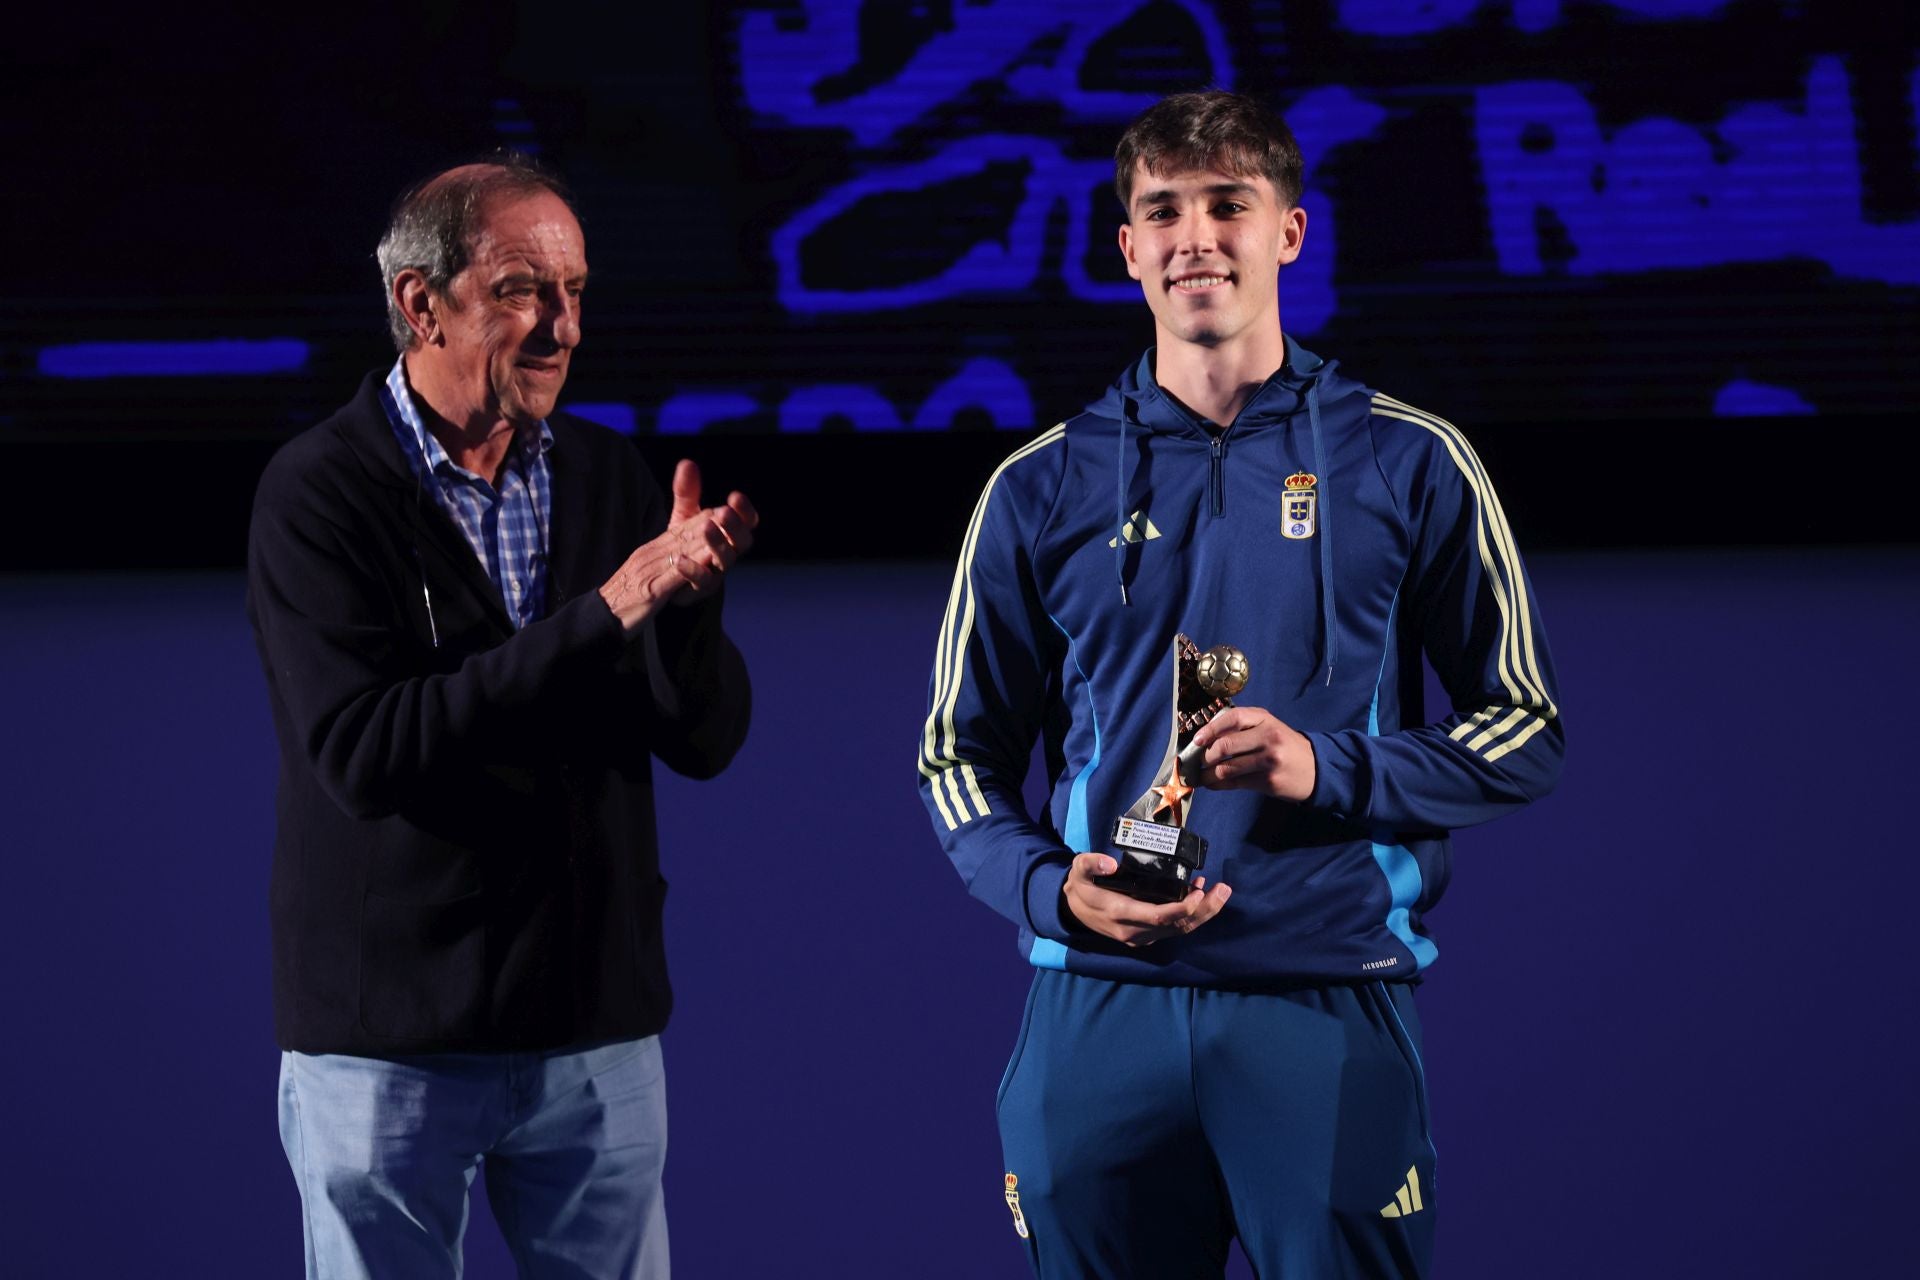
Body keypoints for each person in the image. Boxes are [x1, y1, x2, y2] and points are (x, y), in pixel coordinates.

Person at [917, 91, 1563, 1278]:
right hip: (1099, 1006)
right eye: (1163, 209)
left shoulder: (1409, 457)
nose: (1195, 236)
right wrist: (1054, 894)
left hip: (1321, 998)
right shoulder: (1039, 485)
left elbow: (1525, 725)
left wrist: (1329, 767)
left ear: (1291, 233)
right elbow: (957, 758)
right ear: (1127, 247)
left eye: (1229, 204)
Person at [247, 156, 757, 1279]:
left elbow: (705, 741)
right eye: (524, 290)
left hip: (593, 1033)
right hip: (389, 1045)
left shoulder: (610, 475)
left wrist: (685, 614)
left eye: (577, 292)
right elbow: (367, 753)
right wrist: (614, 607)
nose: (562, 328)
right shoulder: (320, 493)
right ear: (419, 303)